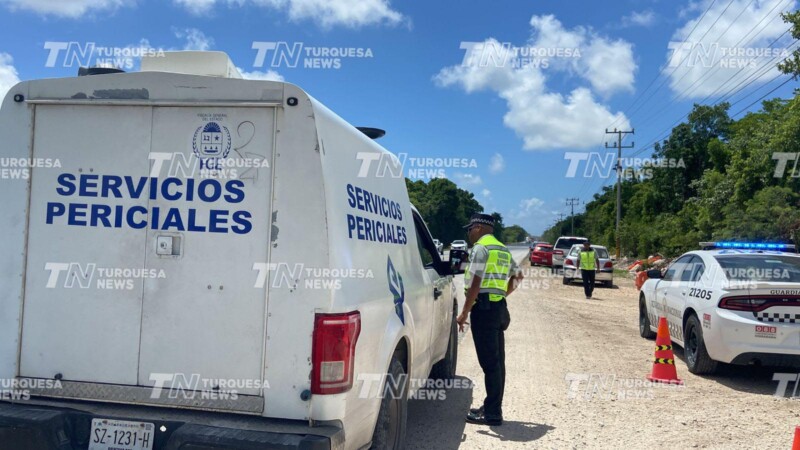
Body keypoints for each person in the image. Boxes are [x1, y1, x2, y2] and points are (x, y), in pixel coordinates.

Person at [455, 213, 523, 426]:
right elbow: (518, 276)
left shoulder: (481, 249)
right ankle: (493, 407)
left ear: (478, 228)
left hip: (483, 310)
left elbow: (476, 282)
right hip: (499, 308)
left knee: (490, 364)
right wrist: (502, 294)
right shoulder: (502, 249)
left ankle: (493, 413)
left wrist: (464, 312)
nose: (469, 233)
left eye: (470, 229)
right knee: (497, 362)